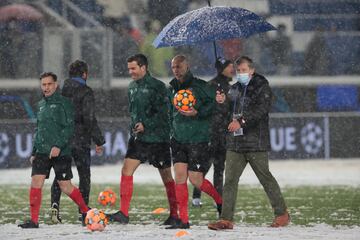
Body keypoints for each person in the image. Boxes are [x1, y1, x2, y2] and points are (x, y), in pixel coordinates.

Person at [208, 56, 290, 230]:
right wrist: (221, 102)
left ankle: (282, 213)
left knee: (265, 178)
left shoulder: (262, 87)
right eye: (238, 71)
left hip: (255, 142)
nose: (240, 74)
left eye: (244, 70)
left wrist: (242, 122)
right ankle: (226, 219)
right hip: (235, 143)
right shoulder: (234, 89)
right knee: (229, 180)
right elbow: (226, 112)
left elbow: (261, 111)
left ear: (252, 70)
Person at [110, 54, 178, 225]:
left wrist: (146, 124)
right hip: (139, 138)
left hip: (158, 138)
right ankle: (124, 213)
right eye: (129, 69)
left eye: (133, 68)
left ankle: (175, 214)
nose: (130, 72)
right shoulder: (132, 86)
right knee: (126, 170)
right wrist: (134, 127)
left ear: (143, 67)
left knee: (166, 176)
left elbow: (164, 114)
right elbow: (133, 112)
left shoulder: (158, 87)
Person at [18, 72, 90, 228]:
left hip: (61, 152)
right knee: (36, 183)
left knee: (65, 186)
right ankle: (34, 221)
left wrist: (58, 145)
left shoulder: (65, 103)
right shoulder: (40, 105)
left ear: (56, 85)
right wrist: (34, 151)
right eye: (43, 84)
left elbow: (69, 128)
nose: (46, 87)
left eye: (49, 84)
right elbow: (39, 129)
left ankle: (86, 211)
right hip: (42, 152)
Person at [166, 55, 223, 229]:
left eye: (179, 66)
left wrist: (197, 112)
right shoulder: (171, 88)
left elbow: (214, 105)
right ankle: (183, 221)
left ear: (187, 66)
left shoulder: (201, 86)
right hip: (178, 139)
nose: (176, 70)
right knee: (180, 178)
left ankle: (220, 202)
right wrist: (170, 130)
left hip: (198, 139)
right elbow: (169, 112)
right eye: (174, 67)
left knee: (196, 180)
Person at [50, 60, 105, 223]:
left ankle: (55, 210)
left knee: (60, 176)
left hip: (62, 140)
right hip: (80, 139)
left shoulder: (59, 90)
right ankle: (84, 213)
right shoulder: (86, 91)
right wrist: (98, 140)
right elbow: (89, 118)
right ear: (84, 74)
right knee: (84, 175)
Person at [192, 57, 233, 207]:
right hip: (212, 133)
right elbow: (205, 109)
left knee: (217, 167)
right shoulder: (212, 86)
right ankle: (199, 196)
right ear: (222, 69)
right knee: (207, 166)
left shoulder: (228, 87)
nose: (232, 69)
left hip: (221, 133)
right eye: (229, 67)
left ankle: (216, 198)